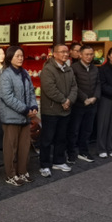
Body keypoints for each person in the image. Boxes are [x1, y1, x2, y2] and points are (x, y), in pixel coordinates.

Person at [0, 45, 38, 185]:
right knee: (11, 148)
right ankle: (10, 175)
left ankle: (22, 172)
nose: (20, 58)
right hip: (11, 117)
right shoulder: (6, 75)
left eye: (22, 56)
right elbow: (7, 97)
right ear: (10, 58)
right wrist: (25, 109)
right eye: (17, 56)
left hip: (25, 117)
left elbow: (31, 91)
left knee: (24, 147)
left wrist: (33, 106)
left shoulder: (25, 73)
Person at [38, 43, 78, 177]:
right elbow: (49, 88)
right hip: (51, 110)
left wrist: (69, 100)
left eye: (67, 52)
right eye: (62, 52)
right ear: (54, 54)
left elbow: (74, 87)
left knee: (61, 138)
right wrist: (63, 100)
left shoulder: (68, 69)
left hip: (65, 109)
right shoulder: (48, 69)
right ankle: (44, 165)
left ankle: (59, 161)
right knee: (47, 139)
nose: (65, 54)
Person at [67, 44, 101, 163]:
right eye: (86, 54)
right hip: (78, 104)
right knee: (74, 130)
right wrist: (84, 98)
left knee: (87, 130)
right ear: (80, 55)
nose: (89, 56)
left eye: (91, 54)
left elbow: (98, 84)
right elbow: (73, 86)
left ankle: (84, 152)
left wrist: (95, 97)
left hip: (92, 104)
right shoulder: (74, 68)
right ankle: (71, 153)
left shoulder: (95, 68)